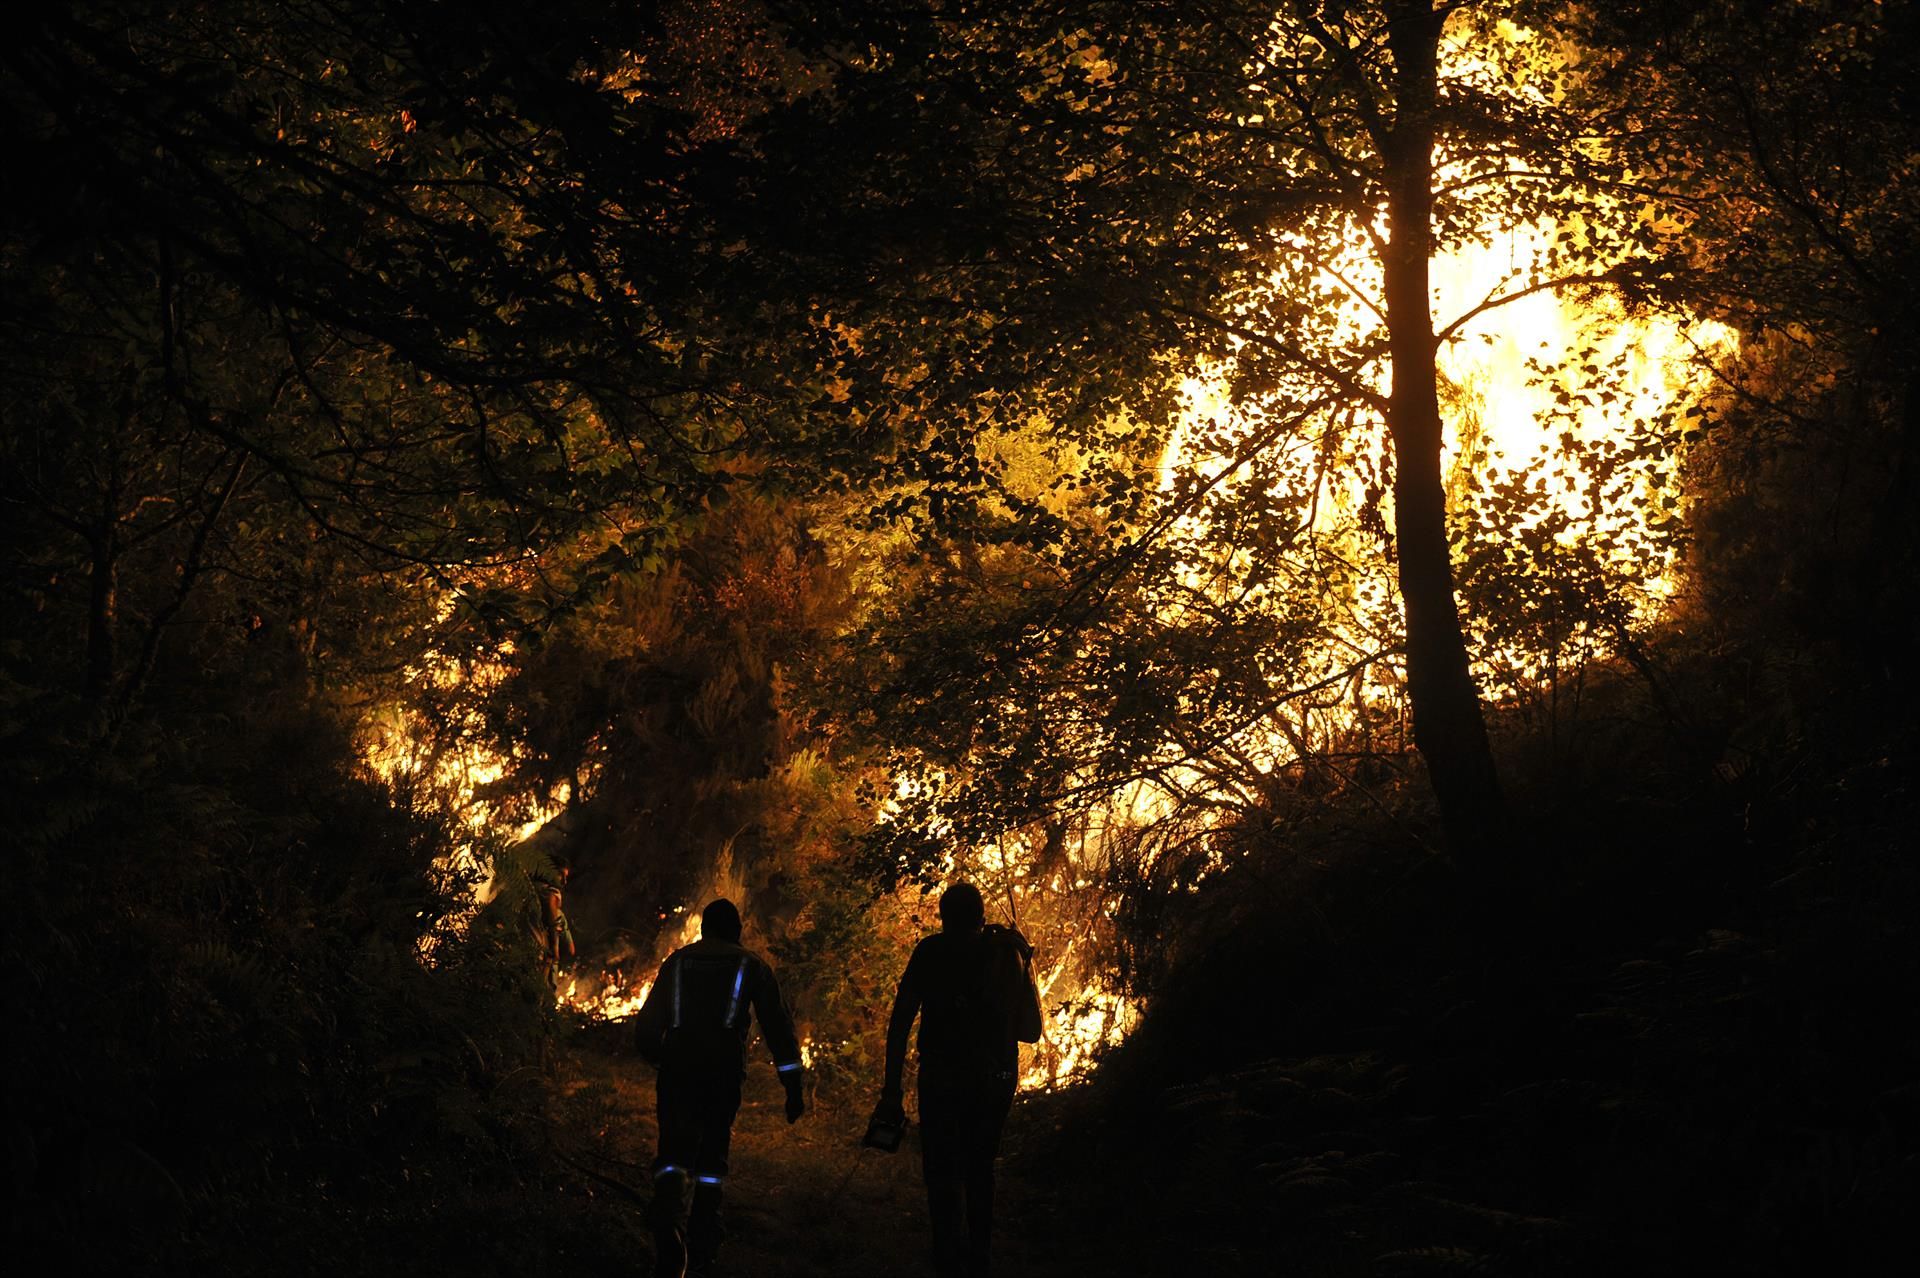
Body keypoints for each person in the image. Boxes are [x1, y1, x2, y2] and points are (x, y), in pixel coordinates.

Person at [631, 898, 807, 1278]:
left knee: (673, 1147)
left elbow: (646, 1027)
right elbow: (778, 1028)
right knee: (713, 1152)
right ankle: (703, 1234)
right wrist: (792, 1085)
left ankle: (667, 1219)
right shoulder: (752, 965)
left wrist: (662, 1059)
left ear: (704, 928)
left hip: (678, 1069)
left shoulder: (677, 962)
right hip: (723, 1072)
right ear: (737, 930)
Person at [875, 882, 1043, 1278]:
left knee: (942, 1170)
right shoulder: (1006, 953)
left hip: (942, 1076)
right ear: (982, 916)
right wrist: (1023, 958)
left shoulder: (930, 952)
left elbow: (900, 1022)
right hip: (994, 1077)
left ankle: (947, 1256)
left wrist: (891, 1089)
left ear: (942, 916)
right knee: (981, 1166)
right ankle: (980, 1256)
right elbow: (1031, 1031)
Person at [530, 861, 575, 988]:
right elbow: (570, 950)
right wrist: (555, 949)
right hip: (538, 960)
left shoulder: (523, 891)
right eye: (561, 875)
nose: (564, 882)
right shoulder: (551, 897)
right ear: (548, 870)